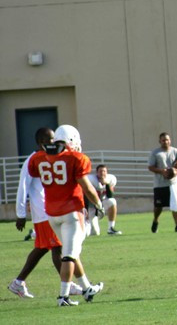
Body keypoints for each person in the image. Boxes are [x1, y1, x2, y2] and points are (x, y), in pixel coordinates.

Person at [27, 124, 105, 306]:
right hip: (71, 212)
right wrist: (99, 204)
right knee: (69, 254)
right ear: (71, 141)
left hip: (52, 214)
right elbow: (86, 186)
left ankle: (86, 288)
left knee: (71, 250)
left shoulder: (39, 157)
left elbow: (36, 170)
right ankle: (63, 296)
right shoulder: (75, 158)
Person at [8, 128, 82, 299]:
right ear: (41, 142)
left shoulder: (49, 158)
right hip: (43, 213)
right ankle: (68, 286)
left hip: (51, 211)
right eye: (50, 139)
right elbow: (23, 187)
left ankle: (18, 283)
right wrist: (20, 214)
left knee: (42, 248)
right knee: (58, 248)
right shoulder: (32, 160)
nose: (54, 142)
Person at [148, 132, 177, 233]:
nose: (165, 142)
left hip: (173, 183)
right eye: (163, 140)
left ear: (170, 140)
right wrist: (162, 171)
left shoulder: (176, 151)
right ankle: (156, 220)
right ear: (160, 141)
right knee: (158, 206)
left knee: (175, 206)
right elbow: (150, 167)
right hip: (160, 184)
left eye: (167, 140)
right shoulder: (156, 153)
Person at [86, 164, 122, 235]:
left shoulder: (110, 179)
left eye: (104, 171)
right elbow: (86, 196)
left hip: (101, 203)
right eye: (100, 171)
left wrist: (107, 184)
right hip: (90, 205)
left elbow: (110, 195)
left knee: (112, 201)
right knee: (94, 233)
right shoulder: (91, 180)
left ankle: (111, 228)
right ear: (97, 173)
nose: (102, 173)